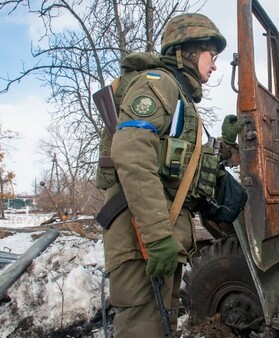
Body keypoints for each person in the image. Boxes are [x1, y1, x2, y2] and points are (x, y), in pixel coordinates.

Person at [101, 12, 244, 337]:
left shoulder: (179, 98)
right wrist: (157, 237)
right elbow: (132, 155)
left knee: (158, 328)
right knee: (143, 330)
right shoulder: (158, 85)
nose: (215, 65)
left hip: (155, 237)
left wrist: (226, 143)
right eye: (212, 55)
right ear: (189, 51)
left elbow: (184, 167)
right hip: (142, 237)